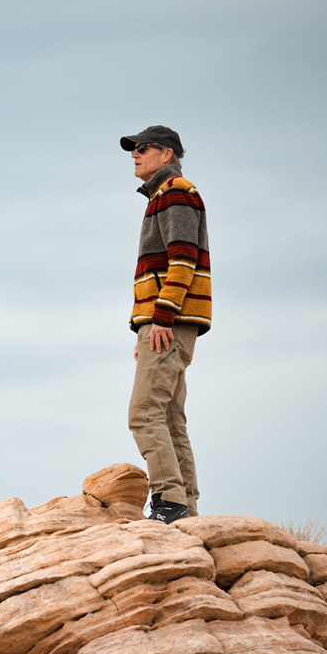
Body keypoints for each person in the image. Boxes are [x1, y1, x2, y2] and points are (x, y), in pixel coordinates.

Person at [120, 126, 212, 524]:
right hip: (167, 323)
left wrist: (159, 319)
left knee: (143, 412)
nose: (135, 155)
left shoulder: (176, 193)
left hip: (169, 322)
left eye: (143, 148)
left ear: (167, 153)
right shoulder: (165, 195)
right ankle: (185, 509)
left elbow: (183, 261)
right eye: (133, 149)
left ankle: (169, 502)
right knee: (170, 417)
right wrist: (144, 324)